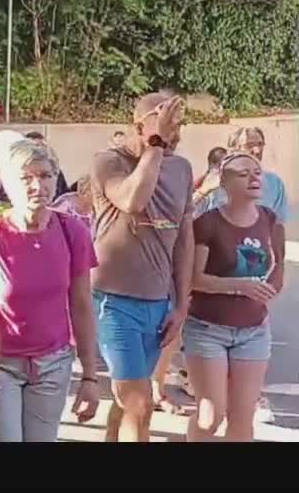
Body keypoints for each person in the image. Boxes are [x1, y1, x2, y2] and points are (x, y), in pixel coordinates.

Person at [0, 140, 100, 442]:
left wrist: (90, 376)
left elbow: (82, 304)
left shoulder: (73, 231)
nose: (37, 185)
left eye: (45, 176)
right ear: (8, 184)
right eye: (26, 177)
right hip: (0, 365)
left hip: (53, 365)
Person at [91, 92, 193, 443]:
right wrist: (156, 143)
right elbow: (132, 200)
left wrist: (181, 304)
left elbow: (183, 239)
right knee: (140, 404)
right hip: (114, 303)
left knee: (127, 402)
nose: (175, 130)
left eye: (178, 122)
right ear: (139, 125)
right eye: (166, 120)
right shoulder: (109, 162)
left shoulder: (181, 168)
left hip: (158, 303)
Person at [184, 152, 284, 442]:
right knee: (210, 415)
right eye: (244, 173)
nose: (254, 177)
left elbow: (278, 268)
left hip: (253, 331)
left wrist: (268, 293)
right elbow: (193, 278)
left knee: (243, 417)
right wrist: (239, 286)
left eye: (257, 172)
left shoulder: (270, 220)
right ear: (225, 183)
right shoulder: (207, 223)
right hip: (207, 329)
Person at [194, 127, 289, 225]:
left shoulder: (274, 183)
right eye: (249, 145)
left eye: (260, 144)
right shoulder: (216, 182)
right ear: (233, 150)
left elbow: (278, 225)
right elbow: (188, 215)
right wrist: (202, 192)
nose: (257, 150)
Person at [24, 131, 70, 197]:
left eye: (42, 147)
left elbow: (64, 194)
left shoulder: (55, 171)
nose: (39, 151)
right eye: (35, 147)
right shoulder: (20, 172)